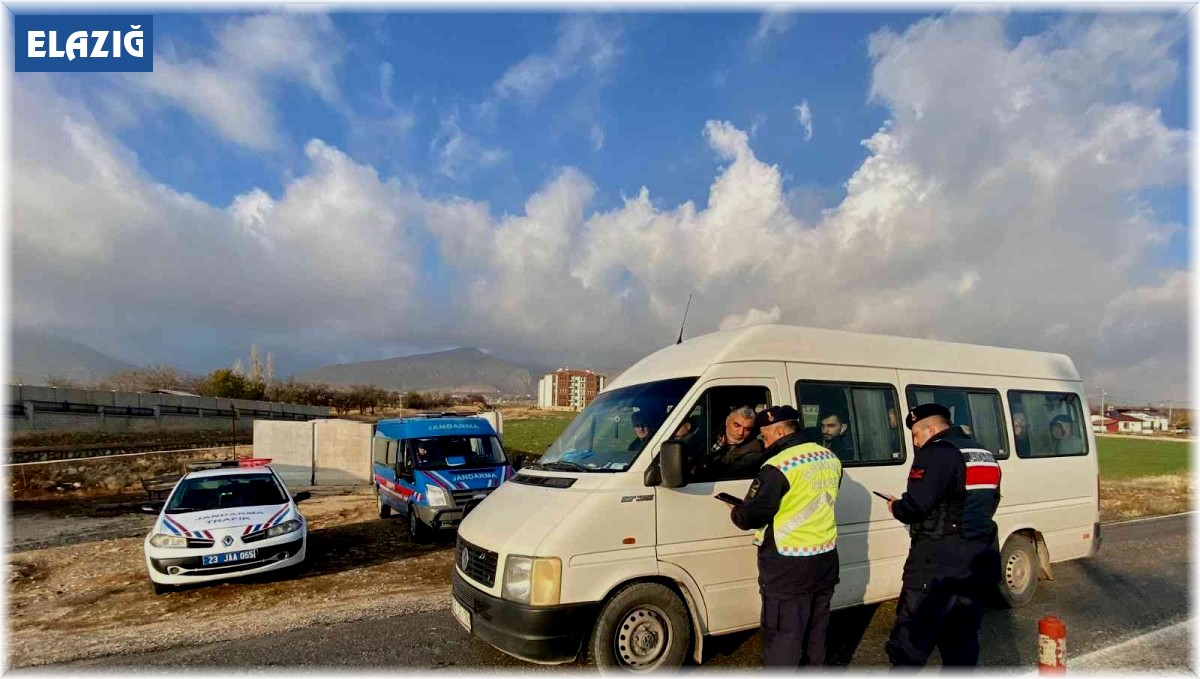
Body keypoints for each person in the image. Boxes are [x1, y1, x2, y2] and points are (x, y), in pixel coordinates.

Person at [885, 403, 1002, 668]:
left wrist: (896, 506)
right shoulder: (982, 452)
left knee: (911, 643)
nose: (915, 442)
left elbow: (916, 505)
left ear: (931, 428)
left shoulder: (936, 453)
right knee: (961, 643)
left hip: (936, 564)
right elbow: (989, 503)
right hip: (975, 560)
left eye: (916, 434)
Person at [726, 405, 842, 667]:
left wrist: (736, 511)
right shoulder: (829, 457)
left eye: (765, 436)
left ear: (779, 431)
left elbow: (752, 516)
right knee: (816, 634)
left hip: (788, 566)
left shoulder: (778, 466)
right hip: (824, 559)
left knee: (783, 638)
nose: (764, 443)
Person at [709, 406, 765, 478]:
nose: (741, 432)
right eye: (737, 425)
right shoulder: (708, 434)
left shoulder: (753, 450)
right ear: (727, 422)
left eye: (747, 429)